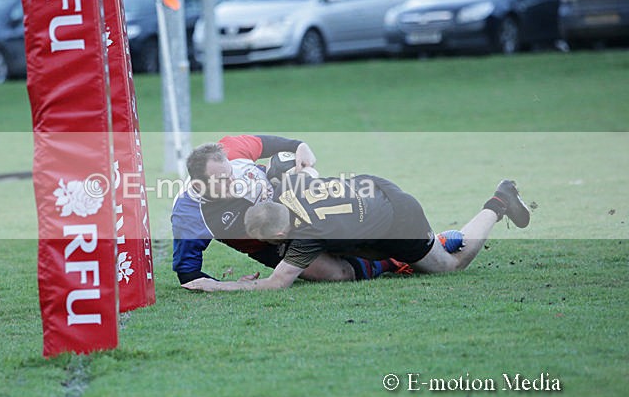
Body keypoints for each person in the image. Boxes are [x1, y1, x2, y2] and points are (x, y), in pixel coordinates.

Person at [182, 172, 530, 292]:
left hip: (400, 219)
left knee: (451, 264)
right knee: (368, 247)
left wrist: (216, 285)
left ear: (278, 235)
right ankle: (418, 250)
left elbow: (277, 284)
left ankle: (499, 202)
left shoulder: (304, 235)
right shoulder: (290, 188)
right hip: (376, 187)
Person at [171, 136, 404, 286]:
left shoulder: (231, 149)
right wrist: (226, 285)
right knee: (340, 274)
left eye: (231, 173)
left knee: (355, 229)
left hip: (298, 204)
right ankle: (393, 263)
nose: (234, 182)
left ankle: (415, 243)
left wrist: (300, 147)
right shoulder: (189, 216)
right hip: (271, 244)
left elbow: (273, 145)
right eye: (223, 180)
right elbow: (188, 273)